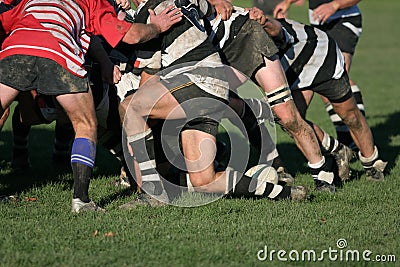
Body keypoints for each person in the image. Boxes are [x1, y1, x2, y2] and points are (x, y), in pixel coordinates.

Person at [118, 0, 308, 208]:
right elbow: (209, 7)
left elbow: (149, 79)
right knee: (204, 181)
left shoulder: (149, 14)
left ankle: (152, 193)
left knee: (131, 107)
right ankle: (283, 192)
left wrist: (134, 130)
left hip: (196, 81)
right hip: (214, 86)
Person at [0, 0, 183, 212]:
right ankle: (81, 200)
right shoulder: (92, 1)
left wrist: (104, 62)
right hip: (58, 52)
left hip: (15, 50)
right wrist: (157, 26)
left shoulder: (28, 1)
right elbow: (131, 35)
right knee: (85, 124)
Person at [242, 7, 387, 182]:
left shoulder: (242, 21)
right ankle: (337, 151)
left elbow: (277, 29)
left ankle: (372, 162)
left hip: (319, 54)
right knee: (291, 120)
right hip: (293, 69)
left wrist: (264, 21)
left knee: (349, 115)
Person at [274, 0, 366, 149]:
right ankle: (340, 144)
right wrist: (287, 2)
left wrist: (334, 5)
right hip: (319, 25)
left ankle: (356, 139)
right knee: (297, 110)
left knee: (336, 76)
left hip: (344, 21)